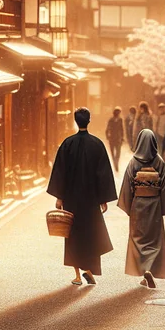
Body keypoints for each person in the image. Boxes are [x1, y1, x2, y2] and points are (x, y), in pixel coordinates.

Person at [47, 108, 119, 285]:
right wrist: (103, 197)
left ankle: (78, 275)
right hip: (91, 198)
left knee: (72, 234)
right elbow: (103, 173)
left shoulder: (67, 144)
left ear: (75, 120)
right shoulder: (97, 144)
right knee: (90, 233)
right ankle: (90, 267)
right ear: (89, 120)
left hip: (71, 197)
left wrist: (59, 196)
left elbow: (60, 172)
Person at [118, 129, 165, 288]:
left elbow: (128, 184)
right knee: (154, 240)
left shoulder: (134, 162)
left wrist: (129, 205)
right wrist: (163, 206)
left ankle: (145, 271)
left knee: (138, 239)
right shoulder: (159, 162)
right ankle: (149, 269)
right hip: (155, 204)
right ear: (153, 142)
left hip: (138, 204)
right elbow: (164, 185)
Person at [105, 107, 125, 172]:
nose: (119, 113)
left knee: (118, 153)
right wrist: (107, 136)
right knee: (112, 153)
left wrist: (122, 137)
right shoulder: (111, 120)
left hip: (118, 138)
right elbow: (107, 128)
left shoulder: (120, 119)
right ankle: (114, 163)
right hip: (112, 138)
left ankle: (116, 163)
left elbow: (122, 129)